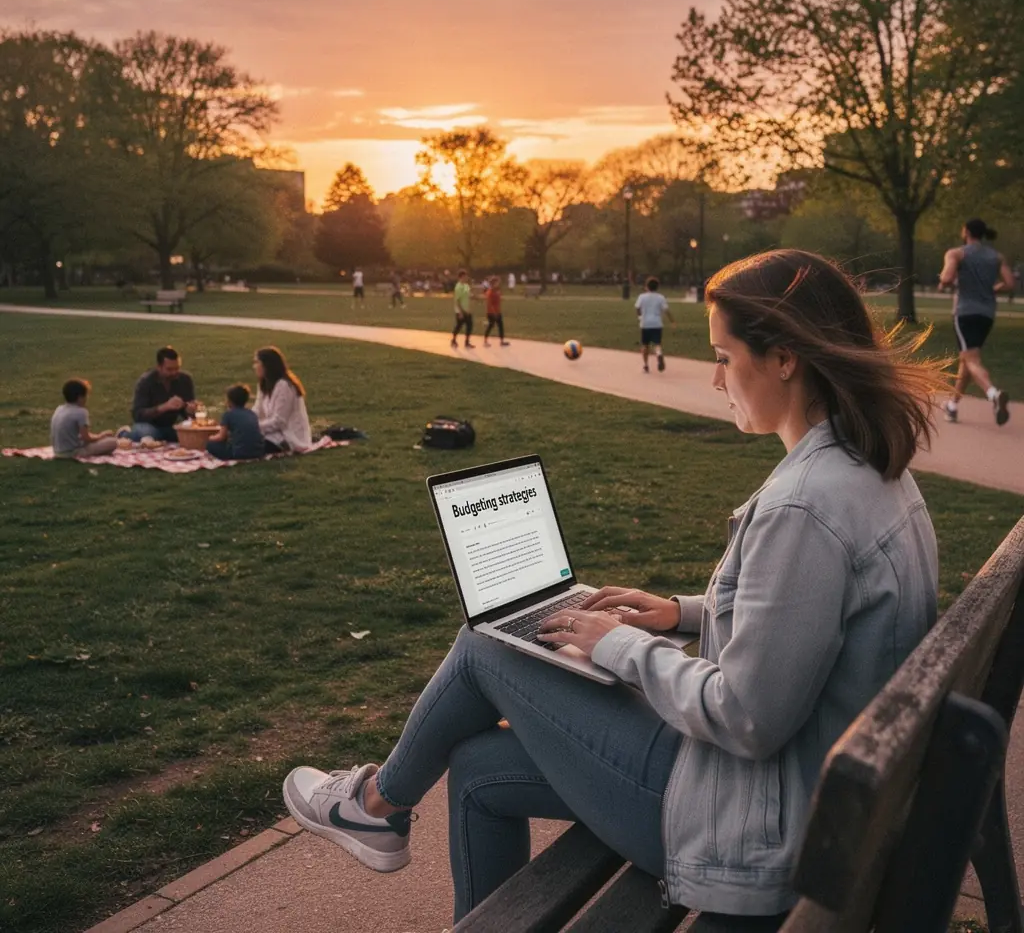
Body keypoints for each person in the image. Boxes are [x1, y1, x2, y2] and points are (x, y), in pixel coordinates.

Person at [283, 250, 943, 929]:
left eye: (722, 355)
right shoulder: (869, 474)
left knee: (484, 647)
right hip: (790, 798)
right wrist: (677, 613)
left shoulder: (804, 507)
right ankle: (378, 811)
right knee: (479, 767)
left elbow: (747, 718)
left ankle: (375, 807)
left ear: (784, 358)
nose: (718, 380)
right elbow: (805, 626)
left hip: (749, 828)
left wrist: (620, 646)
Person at [938, 218, 1014, 425]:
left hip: (965, 313)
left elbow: (946, 277)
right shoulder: (996, 257)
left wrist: (944, 281)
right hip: (987, 315)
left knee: (971, 360)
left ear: (966, 232)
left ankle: (993, 394)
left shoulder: (956, 253)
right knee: (968, 359)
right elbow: (1010, 283)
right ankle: (952, 406)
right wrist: (993, 289)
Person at [128, 346, 196, 442]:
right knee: (147, 434)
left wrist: (190, 410)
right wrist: (164, 407)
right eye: (169, 369)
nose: (174, 372)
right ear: (159, 367)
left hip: (172, 426)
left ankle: (162, 439)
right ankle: (125, 434)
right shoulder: (146, 382)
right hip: (148, 425)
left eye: (177, 368)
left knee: (192, 435)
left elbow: (189, 417)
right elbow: (138, 415)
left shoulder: (185, 380)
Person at [253, 346, 312, 453]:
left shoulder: (285, 386)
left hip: (288, 437)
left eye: (257, 363)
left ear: (267, 365)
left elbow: (279, 421)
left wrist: (254, 427)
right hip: (270, 433)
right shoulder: (263, 385)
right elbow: (257, 410)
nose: (255, 366)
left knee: (248, 447)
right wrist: (242, 421)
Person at [51, 379, 117, 458]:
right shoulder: (81, 412)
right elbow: (86, 438)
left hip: (57, 451)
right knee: (113, 442)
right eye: (86, 395)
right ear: (80, 398)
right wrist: (101, 436)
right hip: (72, 453)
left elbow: (81, 436)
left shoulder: (59, 408)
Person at [206, 384, 264, 461]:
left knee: (210, 445)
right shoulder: (252, 413)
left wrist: (211, 438)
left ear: (230, 401)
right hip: (258, 452)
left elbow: (221, 437)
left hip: (239, 453)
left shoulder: (228, 414)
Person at [635, 276, 675, 373]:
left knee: (645, 345)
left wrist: (640, 316)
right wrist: (672, 321)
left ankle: (645, 365)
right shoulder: (660, 297)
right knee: (657, 343)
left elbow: (637, 308)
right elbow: (666, 310)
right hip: (657, 323)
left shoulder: (642, 297)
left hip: (645, 324)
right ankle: (659, 353)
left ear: (647, 286)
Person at [451, 269, 475, 349]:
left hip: (467, 310)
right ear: (460, 277)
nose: (466, 278)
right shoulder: (458, 287)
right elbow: (457, 300)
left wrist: (477, 298)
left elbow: (469, 295)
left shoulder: (466, 286)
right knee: (459, 326)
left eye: (466, 276)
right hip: (460, 311)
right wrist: (460, 312)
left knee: (470, 326)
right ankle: (453, 340)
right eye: (465, 276)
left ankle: (467, 342)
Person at [483, 276, 509, 347]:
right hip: (492, 313)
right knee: (491, 326)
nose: (498, 284)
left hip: (498, 312)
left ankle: (502, 341)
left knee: (500, 326)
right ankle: (485, 341)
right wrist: (494, 313)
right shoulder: (490, 292)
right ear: (493, 283)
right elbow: (489, 304)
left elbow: (498, 298)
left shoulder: (497, 291)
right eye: (497, 282)